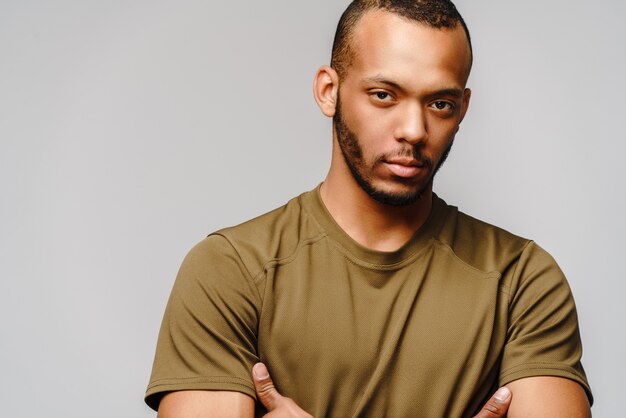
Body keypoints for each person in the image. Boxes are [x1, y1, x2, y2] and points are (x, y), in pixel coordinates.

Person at [145, 1, 593, 416]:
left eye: (440, 103)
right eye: (384, 95)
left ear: (462, 109)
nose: (414, 130)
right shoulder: (230, 270)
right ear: (329, 91)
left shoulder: (522, 279)